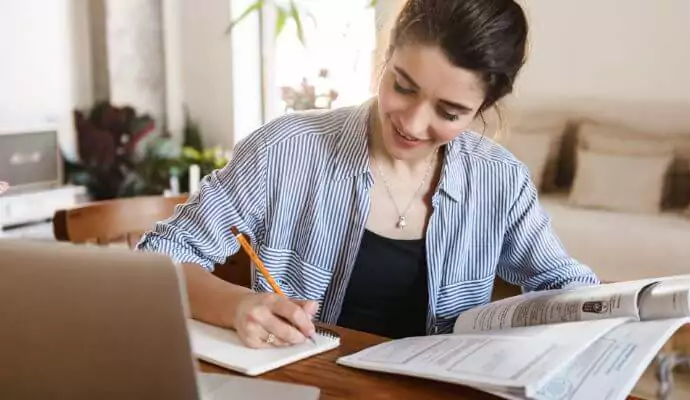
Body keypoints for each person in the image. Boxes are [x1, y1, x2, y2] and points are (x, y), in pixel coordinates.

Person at [137, 0, 599, 348]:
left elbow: (563, 284)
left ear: (485, 108)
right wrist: (239, 306)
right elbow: (158, 260)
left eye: (450, 111)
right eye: (403, 85)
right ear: (387, 53)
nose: (413, 123)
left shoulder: (500, 180)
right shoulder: (286, 151)